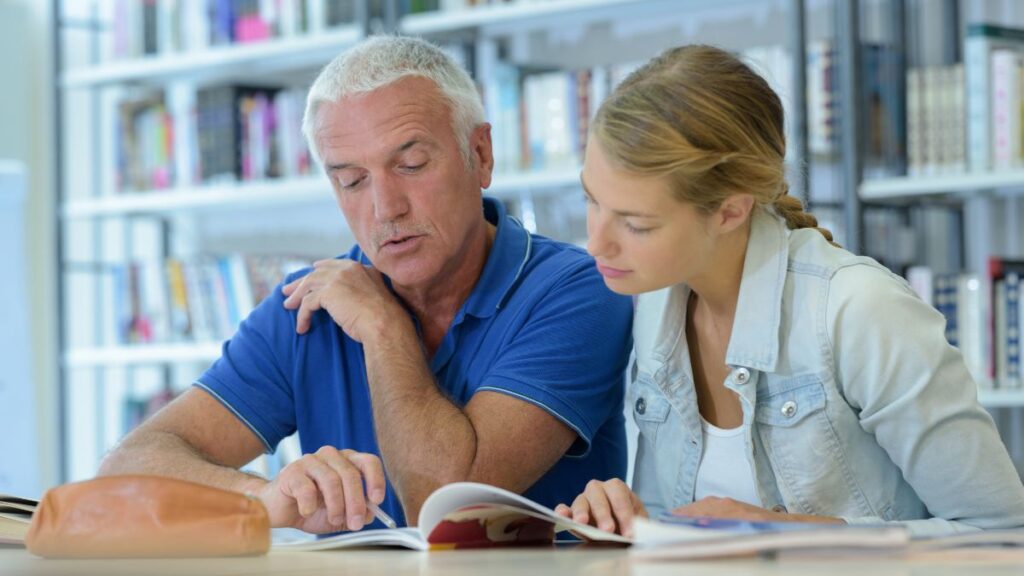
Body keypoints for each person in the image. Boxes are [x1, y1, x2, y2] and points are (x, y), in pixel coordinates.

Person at [98, 36, 633, 533]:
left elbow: (445, 503)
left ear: (482, 155)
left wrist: (382, 327)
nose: (385, 208)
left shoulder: (578, 290)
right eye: (351, 180)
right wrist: (264, 496)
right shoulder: (309, 303)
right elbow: (127, 467)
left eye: (412, 163)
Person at [554, 44, 1024, 538]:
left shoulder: (859, 311)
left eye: (636, 224)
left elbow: (1004, 534)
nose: (596, 243)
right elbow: (687, 531)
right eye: (592, 199)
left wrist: (791, 535)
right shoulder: (656, 306)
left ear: (730, 211)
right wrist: (631, 522)